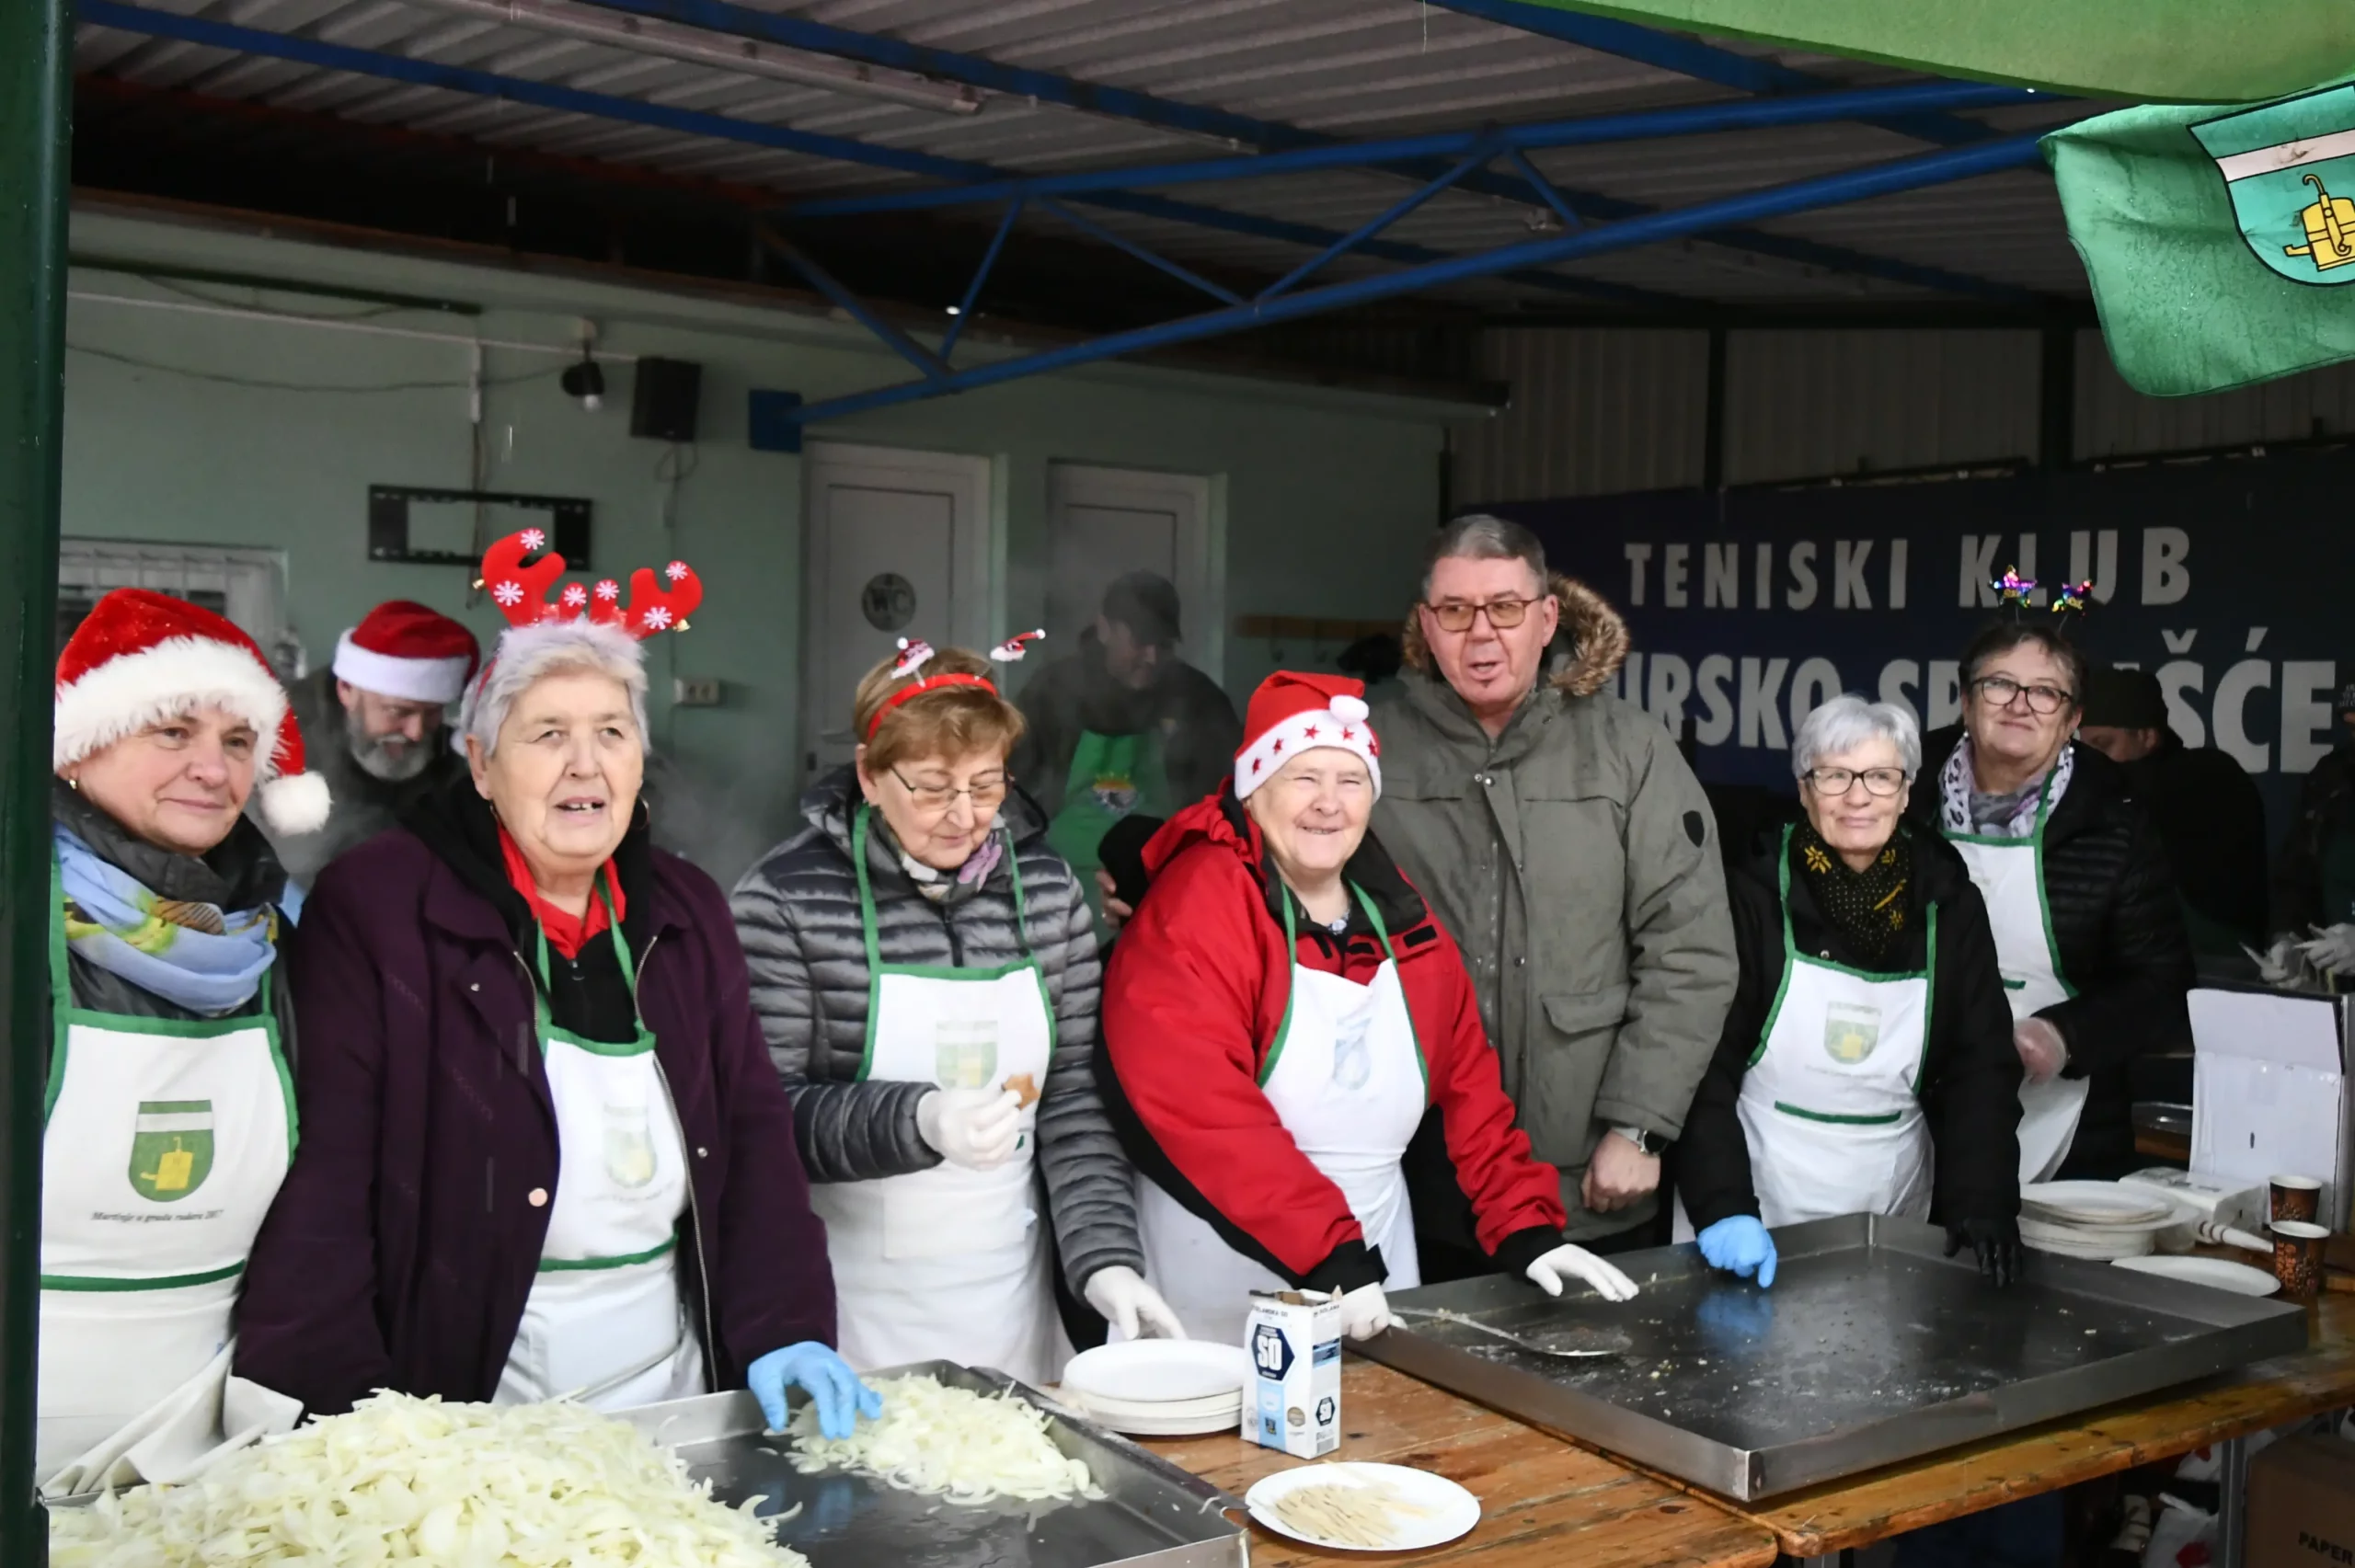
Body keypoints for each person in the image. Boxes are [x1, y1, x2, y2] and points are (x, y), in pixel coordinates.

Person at [236, 532, 874, 1439]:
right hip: (458, 1406)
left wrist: (785, 1323)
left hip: (670, 1389)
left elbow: (751, 1136)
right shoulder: (378, 908)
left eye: (612, 732)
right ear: (481, 763)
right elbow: (326, 1178)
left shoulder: (687, 910)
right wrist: (347, 1417)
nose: (586, 764)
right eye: (548, 735)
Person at [1100, 671, 1640, 1347]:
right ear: (1253, 790)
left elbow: (1469, 1089)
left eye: (1351, 780)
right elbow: (1198, 1105)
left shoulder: (1398, 914)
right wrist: (1331, 1256)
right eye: (1304, 778)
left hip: (1373, 1272)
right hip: (1218, 1277)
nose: (1329, 803)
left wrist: (1525, 1227)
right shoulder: (1201, 903)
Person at [731, 636, 1180, 1386]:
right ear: (870, 776)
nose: (964, 816)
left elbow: (1073, 1099)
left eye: (986, 784)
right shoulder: (786, 900)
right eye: (933, 788)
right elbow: (762, 1118)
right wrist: (918, 1120)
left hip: (1010, 1296)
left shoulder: (1047, 893)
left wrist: (1106, 1261)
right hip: (849, 1312)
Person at [1376, 514, 1738, 1267]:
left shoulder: (1628, 748)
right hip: (1409, 1178)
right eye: (1456, 610)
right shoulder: (1368, 747)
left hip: (1588, 1179)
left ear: (1547, 620)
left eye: (1505, 608)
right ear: (1426, 626)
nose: (1482, 633)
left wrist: (1640, 1126)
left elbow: (1691, 950)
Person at [37, 589, 329, 1492]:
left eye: (238, 741)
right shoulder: (21, 925)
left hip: (207, 1456)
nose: (212, 768)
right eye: (172, 731)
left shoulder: (276, 944)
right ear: (78, 746)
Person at [1675, 696, 2023, 1291]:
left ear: (1906, 792)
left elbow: (1981, 1066)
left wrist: (1982, 1198)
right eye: (1834, 776)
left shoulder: (1948, 904)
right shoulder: (1751, 895)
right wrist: (1723, 1204)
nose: (1858, 797)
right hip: (1758, 1199)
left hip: (1889, 1208)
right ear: (1804, 790)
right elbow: (1701, 1067)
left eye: (1881, 777)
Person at [1909, 617, 2194, 1184]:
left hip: (2069, 1127)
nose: (2020, 705)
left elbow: (2163, 983)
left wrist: (2062, 1036)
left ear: (2072, 720)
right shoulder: (1899, 794)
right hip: (1908, 1107)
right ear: (1966, 701)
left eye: (2045, 692)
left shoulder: (2115, 818)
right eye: (1999, 685)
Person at [1009, 572, 1242, 926]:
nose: (1152, 657)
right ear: (1105, 629)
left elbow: (1227, 802)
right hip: (1054, 892)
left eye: (1163, 645)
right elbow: (1010, 790)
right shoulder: (1051, 691)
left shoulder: (1198, 700)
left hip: (1163, 896)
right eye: (1141, 641)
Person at [276, 600, 477, 888]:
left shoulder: (449, 747)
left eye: (433, 712)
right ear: (346, 691)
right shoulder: (280, 739)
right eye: (398, 712)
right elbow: (312, 859)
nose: (417, 732)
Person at [2077, 665, 2269, 960]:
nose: (2092, 759)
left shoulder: (2208, 775)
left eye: (2104, 745)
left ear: (2148, 737)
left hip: (2220, 964)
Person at [2270, 680, 2355, 979]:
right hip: (2338, 990)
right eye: (2352, 727)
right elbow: (2297, 876)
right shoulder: (2332, 778)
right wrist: (2289, 940)